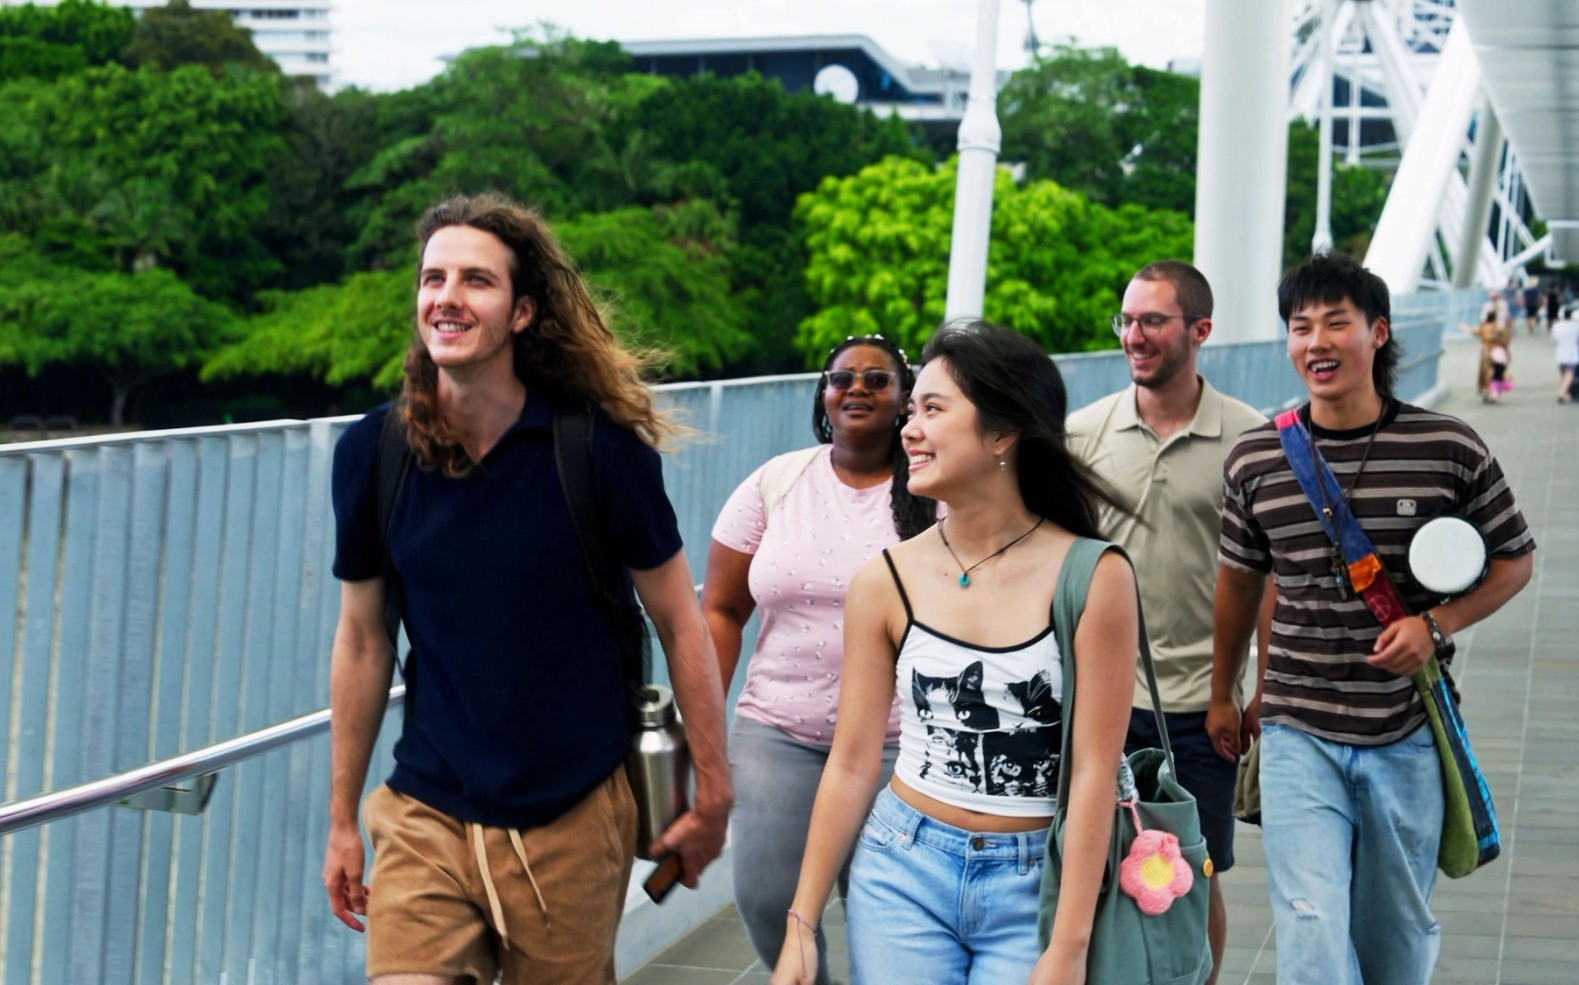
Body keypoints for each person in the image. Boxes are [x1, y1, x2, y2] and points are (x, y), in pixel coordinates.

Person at [322, 194, 732, 984]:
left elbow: (682, 622)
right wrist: (342, 819)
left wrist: (711, 789)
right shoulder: (374, 453)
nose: (447, 295)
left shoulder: (597, 452)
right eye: (432, 278)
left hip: (571, 817)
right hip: (425, 810)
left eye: (477, 280)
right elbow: (365, 638)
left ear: (521, 312)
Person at [772, 322, 1139, 985]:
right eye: (911, 411)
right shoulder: (885, 578)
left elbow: (1093, 773)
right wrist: (802, 919)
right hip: (900, 866)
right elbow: (853, 762)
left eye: (932, 410)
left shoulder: (1094, 577)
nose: (908, 429)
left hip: (1036, 881)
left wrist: (1068, 944)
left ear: (1002, 434)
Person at [1211, 253, 1536, 985]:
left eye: (1336, 323)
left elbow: (1515, 560)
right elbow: (1241, 583)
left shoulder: (1448, 446)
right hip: (1297, 728)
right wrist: (1222, 690)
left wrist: (1436, 625)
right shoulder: (1256, 458)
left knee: (1396, 930)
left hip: (1403, 730)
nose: (1315, 342)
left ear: (1379, 333)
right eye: (1300, 327)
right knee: (1311, 923)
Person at [703, 334, 935, 982]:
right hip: (779, 732)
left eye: (877, 379)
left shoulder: (935, 491)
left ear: (905, 400)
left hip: (901, 743)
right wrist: (703, 726)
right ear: (823, 395)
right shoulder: (775, 482)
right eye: (842, 378)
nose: (856, 388)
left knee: (882, 916)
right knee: (767, 900)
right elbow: (719, 609)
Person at [1066, 259, 1270, 985]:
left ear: (1200, 330)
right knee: (1087, 860)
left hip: (1198, 703)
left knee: (1193, 867)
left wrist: (1251, 692)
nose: (1134, 335)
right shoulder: (1082, 434)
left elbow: (1268, 577)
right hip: (1094, 697)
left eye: (1153, 320)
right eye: (1127, 320)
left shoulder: (1253, 438)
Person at [1552, 304, 1579, 403]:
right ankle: (1562, 392)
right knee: (1570, 373)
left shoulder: (1557, 326)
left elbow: (1554, 339)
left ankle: (1566, 392)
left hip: (1560, 352)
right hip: (1572, 352)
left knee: (1563, 374)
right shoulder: (1576, 326)